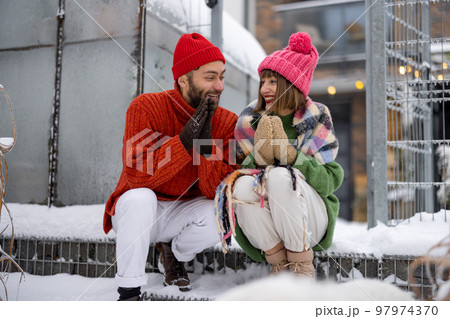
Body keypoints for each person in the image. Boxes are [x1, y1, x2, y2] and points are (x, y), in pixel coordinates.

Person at [104, 33, 238, 300]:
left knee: (224, 210)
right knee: (140, 198)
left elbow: (216, 189)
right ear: (183, 79)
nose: (220, 86)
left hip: (184, 214)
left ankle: (174, 254)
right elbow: (137, 175)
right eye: (210, 77)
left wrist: (205, 146)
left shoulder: (227, 122)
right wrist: (184, 143)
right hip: (141, 212)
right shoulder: (146, 107)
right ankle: (129, 290)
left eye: (222, 76)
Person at [215, 32, 344, 277]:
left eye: (273, 81)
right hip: (268, 225)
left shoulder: (316, 116)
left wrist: (293, 158)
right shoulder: (250, 118)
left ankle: (301, 265)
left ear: (291, 83)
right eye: (262, 82)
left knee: (279, 177)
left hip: (310, 220)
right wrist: (259, 157)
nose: (265, 89)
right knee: (241, 186)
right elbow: (235, 172)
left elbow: (330, 181)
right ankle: (279, 263)